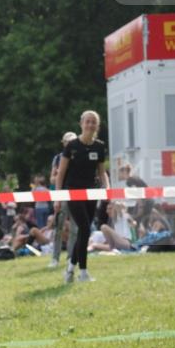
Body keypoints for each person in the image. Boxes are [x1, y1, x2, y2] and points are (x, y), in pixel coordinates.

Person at [55, 111, 109, 283]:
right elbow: (60, 174)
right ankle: (83, 272)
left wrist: (107, 189)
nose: (90, 125)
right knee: (85, 228)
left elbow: (102, 172)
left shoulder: (99, 146)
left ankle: (70, 269)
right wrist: (57, 198)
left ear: (97, 126)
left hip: (92, 193)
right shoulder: (71, 145)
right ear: (81, 124)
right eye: (87, 121)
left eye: (93, 122)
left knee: (84, 232)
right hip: (73, 192)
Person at [49, 132, 78, 269]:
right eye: (67, 141)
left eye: (72, 141)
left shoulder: (80, 157)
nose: (70, 144)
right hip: (62, 194)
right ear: (63, 143)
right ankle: (55, 258)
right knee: (58, 227)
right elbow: (52, 179)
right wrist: (61, 174)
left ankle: (70, 258)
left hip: (76, 195)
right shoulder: (58, 158)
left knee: (74, 228)